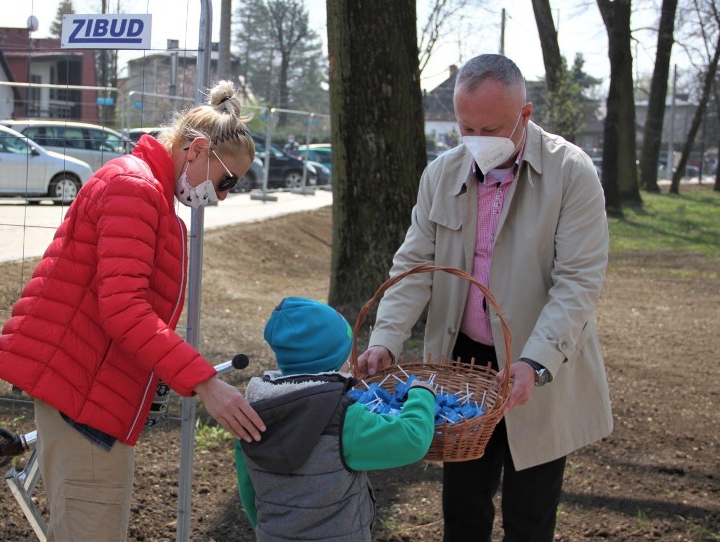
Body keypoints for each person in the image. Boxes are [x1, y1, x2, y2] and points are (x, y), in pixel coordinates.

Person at [0, 80, 266, 542]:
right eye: (226, 181)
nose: (221, 196)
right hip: (84, 404)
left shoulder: (143, 190)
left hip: (89, 398)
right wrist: (205, 383)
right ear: (196, 150)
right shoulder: (134, 189)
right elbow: (122, 309)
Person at [357, 54, 612, 541]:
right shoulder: (442, 175)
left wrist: (535, 363)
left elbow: (578, 281)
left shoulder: (570, 173)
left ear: (526, 115)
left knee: (530, 513)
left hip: (536, 365)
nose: (477, 141)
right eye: (465, 127)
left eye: (491, 128)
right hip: (462, 369)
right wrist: (386, 339)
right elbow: (413, 268)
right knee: (463, 508)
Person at [236, 297, 437, 541]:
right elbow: (413, 439)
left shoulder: (250, 415)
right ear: (334, 362)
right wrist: (421, 395)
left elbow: (249, 492)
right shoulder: (345, 418)